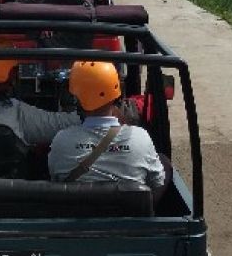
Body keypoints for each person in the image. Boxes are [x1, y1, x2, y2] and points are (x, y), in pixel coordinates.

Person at [48, 61, 167, 200]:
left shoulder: (61, 141)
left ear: (76, 98)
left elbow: (55, 181)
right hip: (130, 220)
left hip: (77, 219)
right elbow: (158, 182)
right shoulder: (141, 137)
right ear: (116, 93)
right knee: (165, 163)